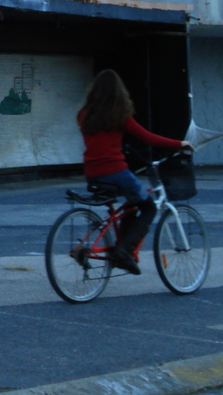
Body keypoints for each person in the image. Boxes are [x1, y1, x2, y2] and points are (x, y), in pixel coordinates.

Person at [77, 69, 193, 275]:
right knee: (148, 207)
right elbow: (148, 137)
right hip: (116, 171)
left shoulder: (83, 115)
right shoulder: (119, 115)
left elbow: (99, 141)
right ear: (118, 92)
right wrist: (179, 144)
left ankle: (121, 249)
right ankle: (124, 250)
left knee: (132, 203)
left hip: (92, 173)